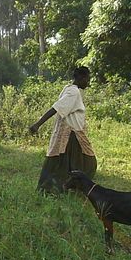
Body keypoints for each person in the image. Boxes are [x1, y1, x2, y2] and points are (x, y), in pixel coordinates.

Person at [29, 66, 97, 194]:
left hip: (74, 133)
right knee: (87, 163)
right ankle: (63, 189)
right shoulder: (73, 92)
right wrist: (38, 124)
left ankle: (69, 189)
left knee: (67, 164)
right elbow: (56, 108)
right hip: (72, 135)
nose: (88, 83)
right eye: (87, 80)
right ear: (81, 78)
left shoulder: (70, 89)